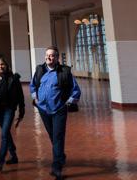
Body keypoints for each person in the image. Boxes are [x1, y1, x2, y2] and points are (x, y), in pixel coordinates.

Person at [30, 47, 81, 180]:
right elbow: (33, 85)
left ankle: (56, 167)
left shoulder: (64, 71)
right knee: (53, 136)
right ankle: (61, 156)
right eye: (47, 55)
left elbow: (75, 90)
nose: (49, 58)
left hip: (59, 109)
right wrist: (35, 97)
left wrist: (68, 102)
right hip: (43, 109)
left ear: (57, 58)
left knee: (58, 137)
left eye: (52, 56)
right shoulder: (40, 70)